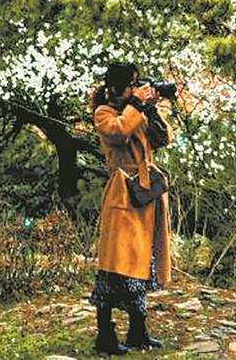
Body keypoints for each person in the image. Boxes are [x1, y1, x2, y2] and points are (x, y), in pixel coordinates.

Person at [89, 61, 172, 354]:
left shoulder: (136, 111)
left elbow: (162, 139)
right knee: (115, 267)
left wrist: (150, 110)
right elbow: (119, 133)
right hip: (122, 194)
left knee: (141, 264)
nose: (136, 88)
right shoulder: (105, 113)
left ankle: (138, 331)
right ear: (117, 88)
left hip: (144, 193)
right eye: (132, 84)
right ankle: (105, 337)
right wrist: (137, 105)